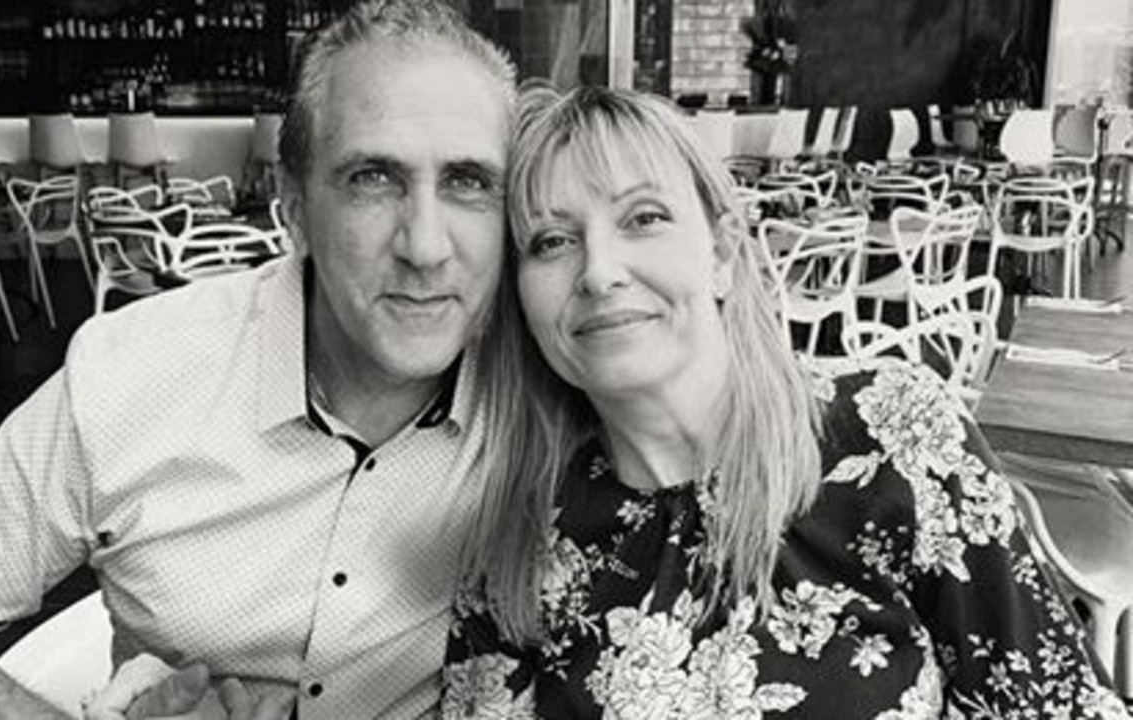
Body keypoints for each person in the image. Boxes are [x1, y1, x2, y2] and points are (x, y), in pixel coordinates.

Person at [0, 1, 516, 718]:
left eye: (468, 182)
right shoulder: (132, 376)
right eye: (372, 179)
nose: (425, 246)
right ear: (291, 206)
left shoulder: (552, 389)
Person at [441, 85, 1129, 718]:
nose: (598, 271)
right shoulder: (516, 548)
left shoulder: (896, 440)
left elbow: (1058, 706)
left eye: (643, 218)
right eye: (552, 241)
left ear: (723, 255)